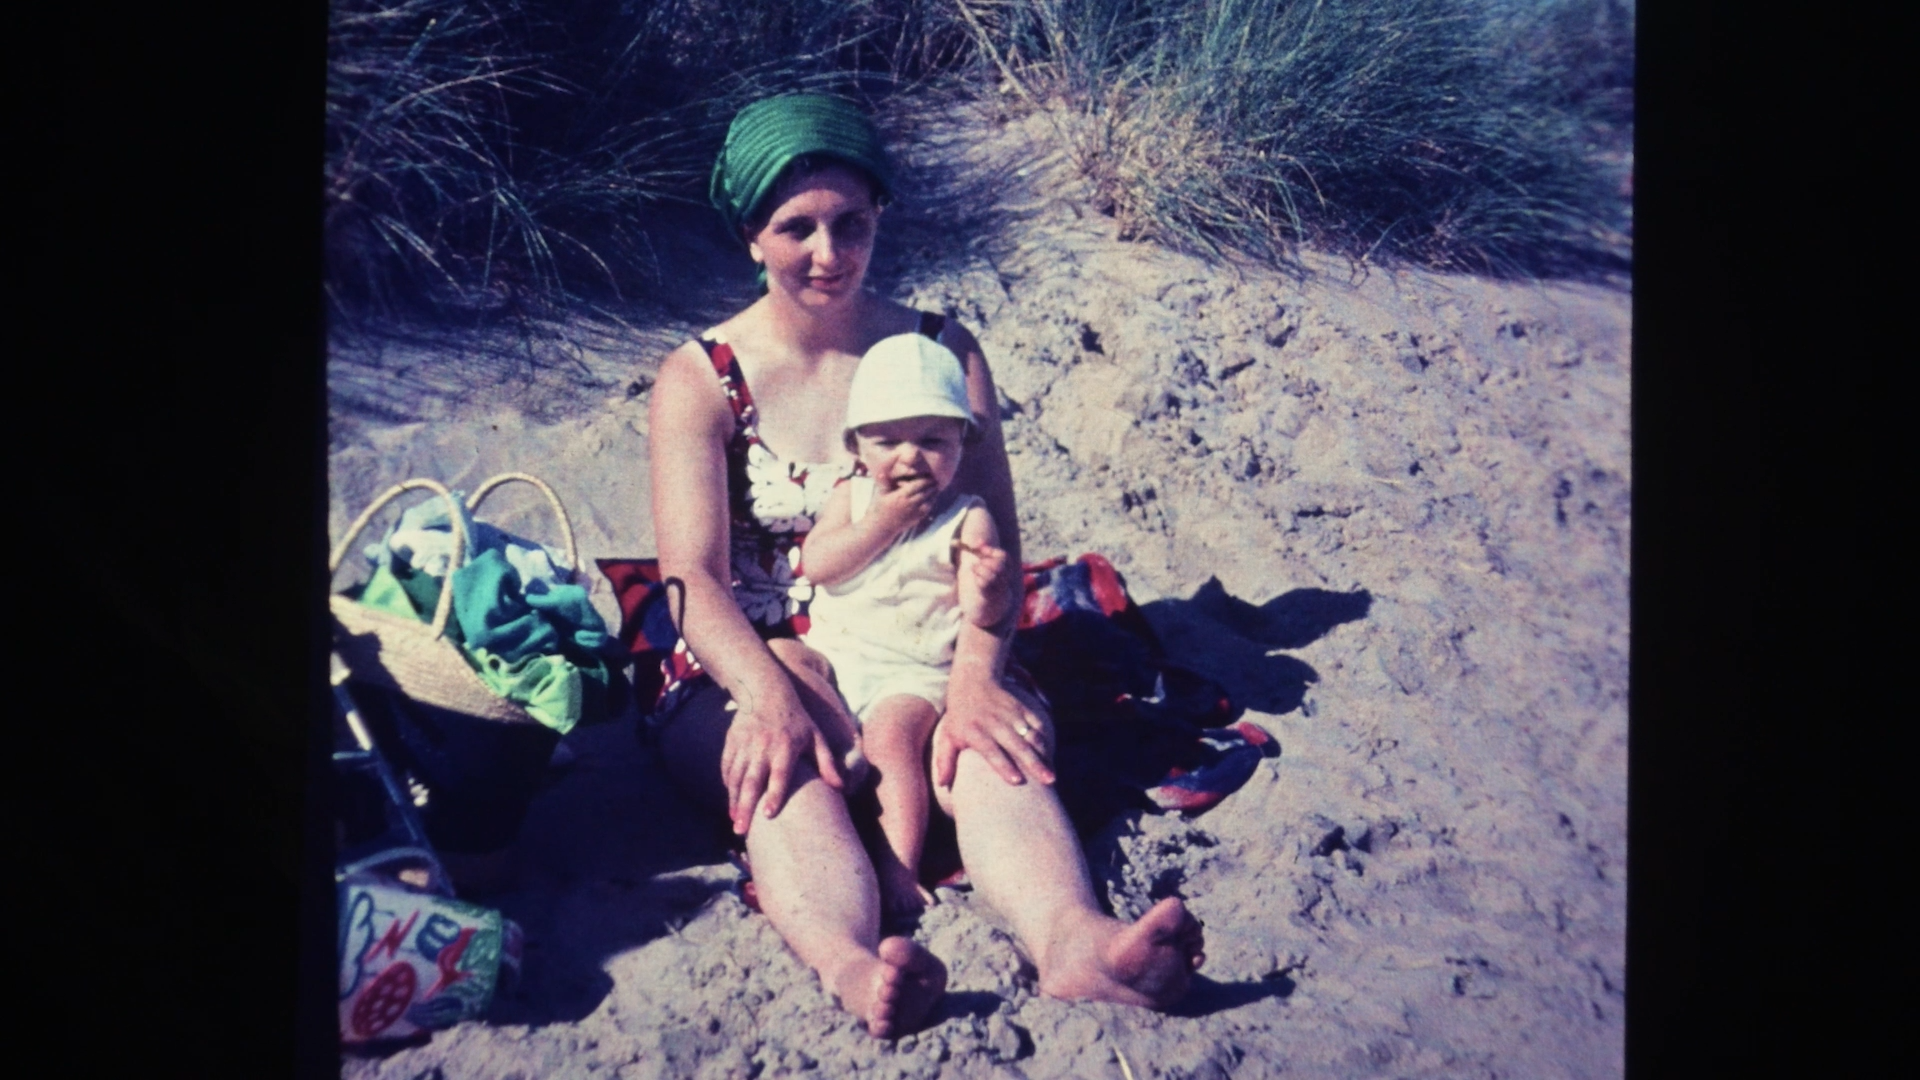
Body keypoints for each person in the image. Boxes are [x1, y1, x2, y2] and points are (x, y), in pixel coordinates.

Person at [645, 93, 1205, 1039]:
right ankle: (853, 967)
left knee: (992, 744)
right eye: (797, 229)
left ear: (880, 220)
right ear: (751, 237)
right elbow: (690, 579)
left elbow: (1000, 538)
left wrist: (978, 672)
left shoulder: (940, 353)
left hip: (922, 631)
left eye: (851, 224)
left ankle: (1074, 941)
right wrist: (768, 696)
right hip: (758, 646)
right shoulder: (703, 379)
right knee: (786, 769)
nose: (829, 253)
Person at [800, 332, 1017, 917]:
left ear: (961, 445)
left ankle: (899, 866)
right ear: (857, 448)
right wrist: (884, 523)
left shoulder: (968, 515)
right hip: (837, 649)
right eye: (886, 440)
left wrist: (989, 586)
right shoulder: (850, 497)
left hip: (911, 669)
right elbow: (817, 565)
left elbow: (985, 613)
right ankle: (841, 741)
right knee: (783, 658)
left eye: (931, 440)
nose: (909, 457)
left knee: (894, 744)